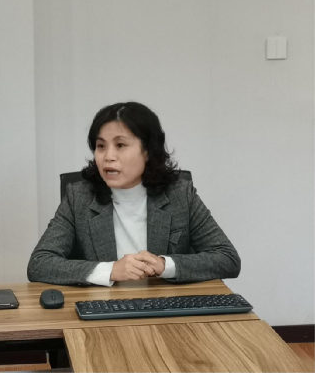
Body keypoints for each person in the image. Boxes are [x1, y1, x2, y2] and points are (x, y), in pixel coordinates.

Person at [27, 102, 240, 286]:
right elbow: (39, 264)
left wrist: (164, 265)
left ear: (148, 151)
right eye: (101, 146)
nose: (108, 156)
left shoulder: (180, 195)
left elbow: (227, 258)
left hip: (167, 307)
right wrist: (111, 270)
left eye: (120, 145)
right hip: (102, 308)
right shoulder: (79, 197)